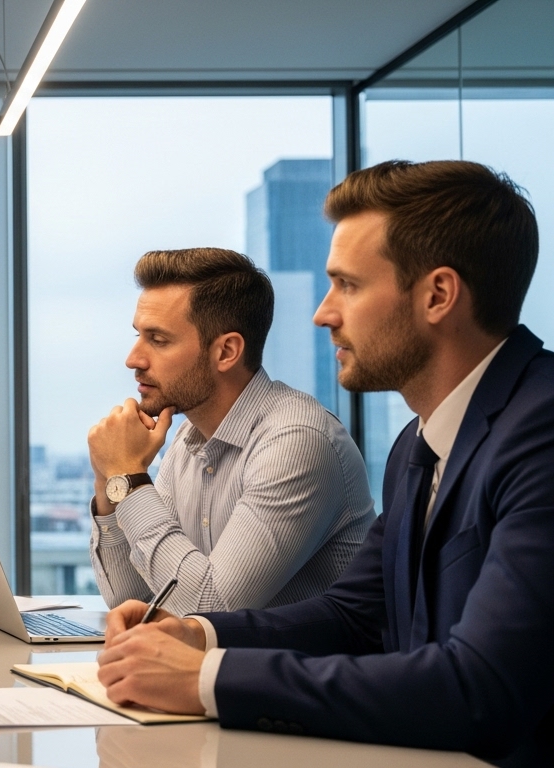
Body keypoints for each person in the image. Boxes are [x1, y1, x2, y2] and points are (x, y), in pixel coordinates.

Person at [95, 160, 553, 766]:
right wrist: (199, 635)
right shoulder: (418, 443)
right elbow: (357, 616)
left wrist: (207, 679)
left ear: (438, 295)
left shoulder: (541, 434)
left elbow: (479, 685)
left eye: (349, 285)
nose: (322, 313)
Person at [86, 248, 374, 613]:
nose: (134, 359)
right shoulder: (188, 438)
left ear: (226, 352)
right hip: (224, 668)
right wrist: (109, 481)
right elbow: (137, 602)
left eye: (158, 340)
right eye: (138, 336)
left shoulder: (297, 441)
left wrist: (128, 475)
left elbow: (209, 610)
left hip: (301, 669)